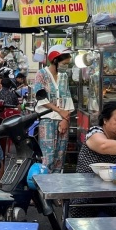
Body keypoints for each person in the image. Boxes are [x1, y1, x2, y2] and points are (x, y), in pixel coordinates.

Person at [33, 45, 75, 173]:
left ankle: (57, 187)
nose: (65, 66)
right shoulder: (41, 74)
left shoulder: (64, 76)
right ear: (55, 60)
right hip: (47, 120)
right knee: (48, 157)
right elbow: (40, 98)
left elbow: (67, 97)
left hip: (62, 120)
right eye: (64, 63)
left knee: (60, 157)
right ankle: (45, 187)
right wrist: (59, 111)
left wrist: (65, 119)